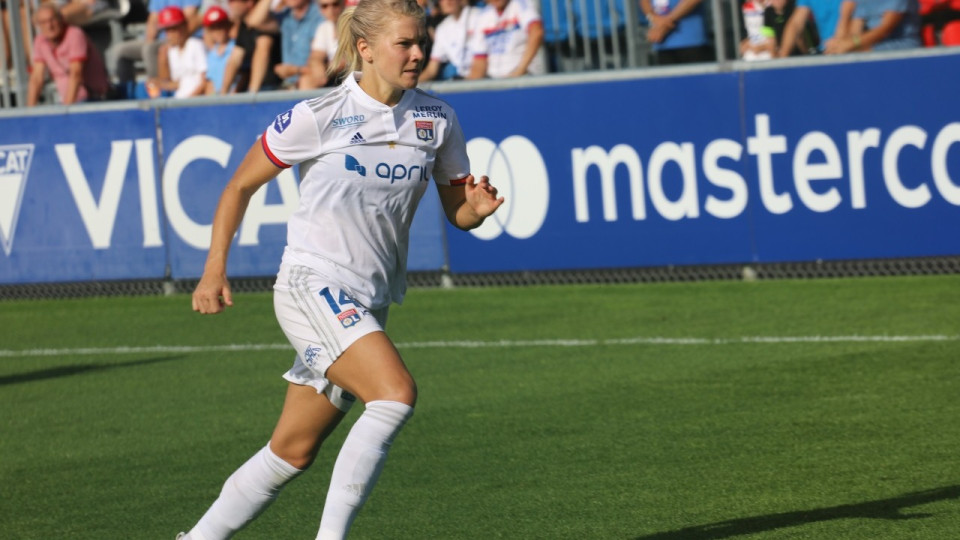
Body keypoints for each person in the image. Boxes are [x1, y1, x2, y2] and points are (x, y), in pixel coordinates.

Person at [177, 0, 504, 537]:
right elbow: (239, 185)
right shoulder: (319, 115)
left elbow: (458, 212)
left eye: (421, 41)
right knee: (394, 394)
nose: (418, 53)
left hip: (368, 300)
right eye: (405, 43)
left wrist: (477, 211)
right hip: (312, 284)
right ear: (366, 48)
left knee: (292, 451)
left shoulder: (437, 119)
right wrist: (215, 269)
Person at [109, 0, 203, 97]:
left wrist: (175, 39)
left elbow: (188, 18)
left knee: (150, 49)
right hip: (161, 38)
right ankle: (126, 93)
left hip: (184, 36)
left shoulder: (194, 44)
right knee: (121, 51)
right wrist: (150, 40)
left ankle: (156, 94)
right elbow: (153, 20)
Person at [27, 2, 110, 106]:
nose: (49, 26)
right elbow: (36, 78)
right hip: (68, 102)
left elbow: (76, 74)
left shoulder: (74, 34)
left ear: (61, 18)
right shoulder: (40, 41)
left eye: (52, 20)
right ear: (38, 25)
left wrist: (66, 110)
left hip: (93, 100)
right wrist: (29, 112)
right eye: (43, 22)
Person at [246, 0, 322, 89]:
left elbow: (324, 66)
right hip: (289, 86)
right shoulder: (286, 16)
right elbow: (254, 22)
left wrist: (296, 70)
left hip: (313, 85)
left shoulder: (322, 12)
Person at [467, 0, 545, 78]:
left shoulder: (521, 3)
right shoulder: (483, 16)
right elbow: (479, 61)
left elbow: (536, 32)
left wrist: (519, 72)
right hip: (497, 81)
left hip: (526, 77)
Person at [220, 0, 283, 92]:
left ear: (249, 2)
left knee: (264, 40)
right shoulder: (244, 25)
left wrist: (252, 95)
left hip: (273, 88)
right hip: (252, 89)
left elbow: (255, 22)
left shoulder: (269, 21)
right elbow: (234, 60)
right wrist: (223, 93)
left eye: (232, 1)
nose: (229, 4)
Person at [149, 5, 207, 97]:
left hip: (196, 102)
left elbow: (205, 82)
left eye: (174, 29)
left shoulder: (195, 45)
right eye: (167, 30)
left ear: (184, 26)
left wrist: (190, 101)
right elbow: (180, 83)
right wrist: (159, 83)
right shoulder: (171, 51)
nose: (170, 35)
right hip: (179, 102)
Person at [825, 0, 921, 52]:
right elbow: (855, 30)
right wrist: (839, 44)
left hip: (903, 46)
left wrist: (852, 44)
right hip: (873, 45)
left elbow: (885, 29)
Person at [420, 0, 480, 80]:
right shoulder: (442, 28)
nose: (447, 2)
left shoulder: (480, 16)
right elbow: (431, 69)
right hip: (465, 81)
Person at [640, 0, 713, 65]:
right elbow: (644, 2)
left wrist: (665, 23)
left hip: (691, 43)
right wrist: (653, 17)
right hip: (663, 44)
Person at [776, 0, 853, 56]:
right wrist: (783, 57)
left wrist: (838, 45)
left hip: (851, 50)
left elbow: (846, 18)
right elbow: (795, 25)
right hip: (826, 52)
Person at [301, 0, 345, 88]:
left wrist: (324, 70)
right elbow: (316, 56)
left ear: (343, 3)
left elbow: (347, 61)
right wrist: (317, 67)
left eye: (335, 4)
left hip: (353, 75)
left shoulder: (353, 23)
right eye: (325, 6)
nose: (330, 9)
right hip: (334, 75)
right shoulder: (324, 27)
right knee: (307, 79)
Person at [202, 4, 235, 92]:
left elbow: (244, 76)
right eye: (213, 28)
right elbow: (210, 83)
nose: (217, 31)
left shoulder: (236, 47)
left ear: (228, 26)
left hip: (236, 98)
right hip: (218, 100)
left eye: (220, 26)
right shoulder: (211, 55)